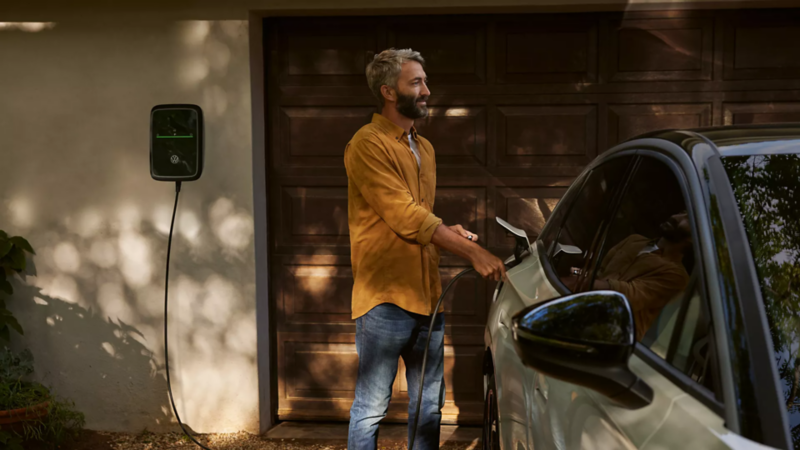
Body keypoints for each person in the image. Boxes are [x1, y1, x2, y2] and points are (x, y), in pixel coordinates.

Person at [345, 48, 506, 450]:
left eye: (425, 81)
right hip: (384, 299)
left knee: (429, 407)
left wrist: (448, 230)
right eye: (416, 82)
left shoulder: (425, 148)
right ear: (388, 91)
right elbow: (402, 214)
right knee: (371, 408)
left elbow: (419, 213)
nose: (427, 91)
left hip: (428, 295)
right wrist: (471, 252)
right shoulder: (367, 144)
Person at [592, 211, 693, 341]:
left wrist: (584, 283)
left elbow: (626, 296)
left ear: (693, 238)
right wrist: (580, 276)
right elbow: (598, 271)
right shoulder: (634, 240)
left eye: (688, 219)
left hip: (612, 335)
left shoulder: (677, 276)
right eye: (681, 213)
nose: (675, 217)